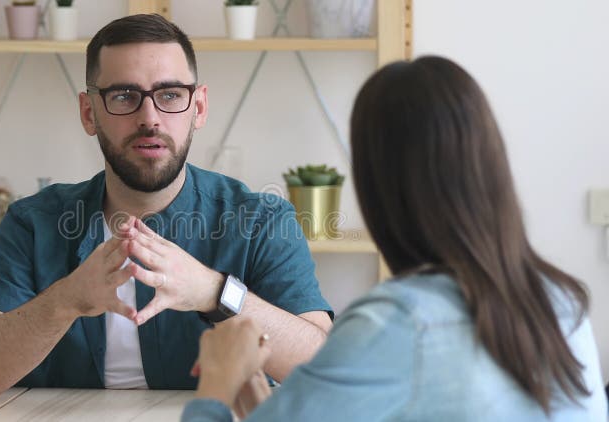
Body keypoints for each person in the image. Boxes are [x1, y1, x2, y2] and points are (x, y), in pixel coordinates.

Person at [183, 56, 608, 421]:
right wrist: (255, 391)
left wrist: (216, 386)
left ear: (378, 189)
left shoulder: (398, 321)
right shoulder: (562, 303)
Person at [0, 14, 333, 401]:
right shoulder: (31, 224)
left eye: (169, 95)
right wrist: (67, 299)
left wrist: (215, 291)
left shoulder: (262, 221)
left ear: (198, 107)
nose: (149, 118)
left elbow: (325, 367)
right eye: (123, 96)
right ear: (89, 113)